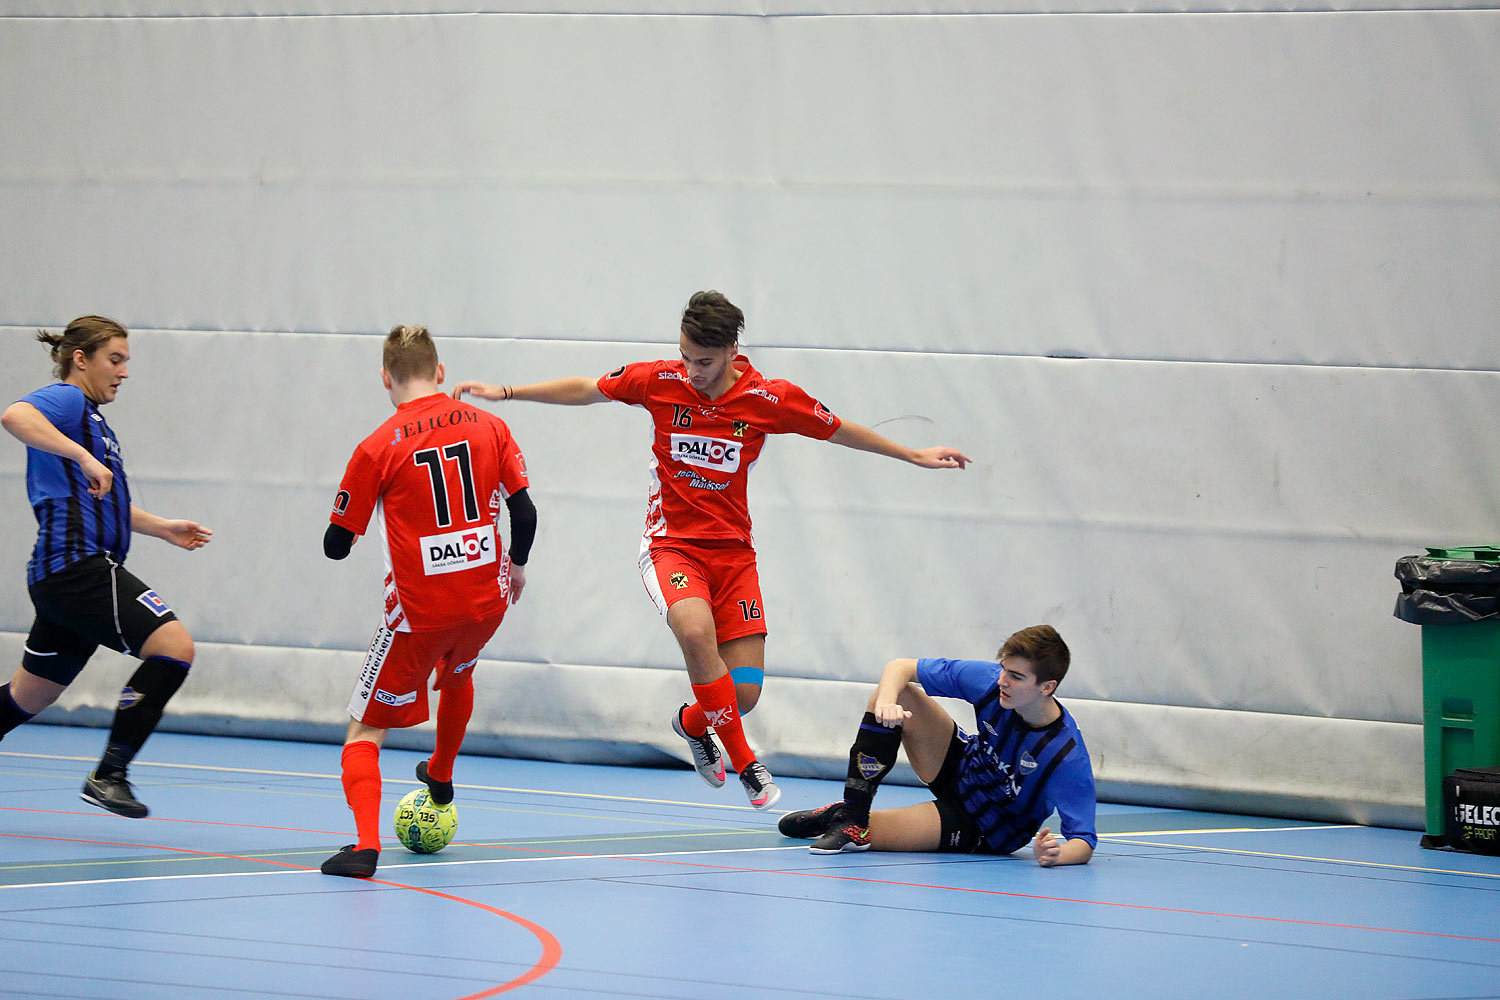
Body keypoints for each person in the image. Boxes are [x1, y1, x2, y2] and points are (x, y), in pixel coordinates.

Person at [452, 290, 971, 810]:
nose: (692, 370)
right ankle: (748, 766)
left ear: (730, 352)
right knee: (696, 633)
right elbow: (588, 388)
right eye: (685, 356)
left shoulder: (769, 398)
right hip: (671, 546)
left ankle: (692, 723)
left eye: (703, 361)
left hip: (734, 557)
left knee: (741, 694)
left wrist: (911, 453)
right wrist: (508, 390)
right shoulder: (660, 380)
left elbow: (837, 430)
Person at [319, 325, 537, 879]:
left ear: (386, 378)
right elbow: (525, 511)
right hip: (485, 603)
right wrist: (516, 565)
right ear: (440, 373)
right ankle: (440, 775)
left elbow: (336, 546)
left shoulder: (378, 446)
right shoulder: (491, 425)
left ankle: (364, 847)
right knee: (459, 674)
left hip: (419, 614)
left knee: (364, 730)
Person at [0, 316, 212, 818]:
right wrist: (84, 456)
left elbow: (101, 501)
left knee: (27, 697)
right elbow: (13, 416)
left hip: (63, 577)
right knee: (174, 646)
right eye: (114, 360)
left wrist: (161, 526)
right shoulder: (69, 402)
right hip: (78, 568)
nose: (123, 372)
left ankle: (108, 773)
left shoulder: (94, 421)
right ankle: (109, 775)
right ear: (82, 359)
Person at [778, 625, 1096, 866]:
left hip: (984, 826)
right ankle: (853, 815)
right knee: (897, 693)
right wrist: (886, 705)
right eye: (1003, 670)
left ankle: (843, 817)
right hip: (960, 767)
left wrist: (1057, 854)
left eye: (1015, 676)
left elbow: (1083, 841)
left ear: (1047, 687)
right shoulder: (990, 683)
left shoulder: (1065, 755)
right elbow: (899, 667)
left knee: (878, 836)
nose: (1002, 681)